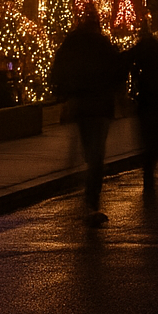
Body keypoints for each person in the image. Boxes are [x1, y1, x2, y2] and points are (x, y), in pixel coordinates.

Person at [51, 12, 124, 225]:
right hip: (100, 104)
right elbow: (117, 69)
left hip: (80, 103)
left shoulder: (72, 43)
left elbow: (60, 67)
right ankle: (92, 200)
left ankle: (84, 185)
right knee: (96, 152)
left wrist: (64, 95)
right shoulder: (103, 44)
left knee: (86, 144)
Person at [123, 26, 158, 191]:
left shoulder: (141, 52)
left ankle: (149, 167)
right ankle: (153, 159)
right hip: (157, 98)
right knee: (157, 132)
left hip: (145, 97)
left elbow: (125, 60)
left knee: (147, 133)